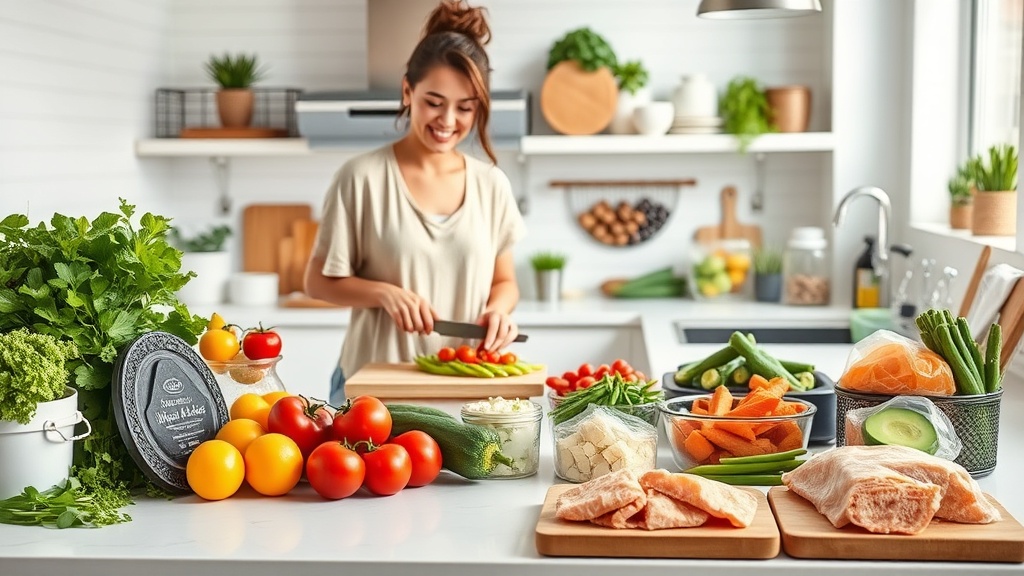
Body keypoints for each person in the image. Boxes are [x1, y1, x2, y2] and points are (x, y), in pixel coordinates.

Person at [304, 0, 526, 404]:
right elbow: (317, 281)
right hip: (372, 391)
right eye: (434, 102)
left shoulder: (492, 184)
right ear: (408, 91)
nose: (447, 121)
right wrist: (382, 293)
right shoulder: (361, 178)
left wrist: (498, 311)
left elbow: (505, 282)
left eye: (465, 107)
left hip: (463, 390)